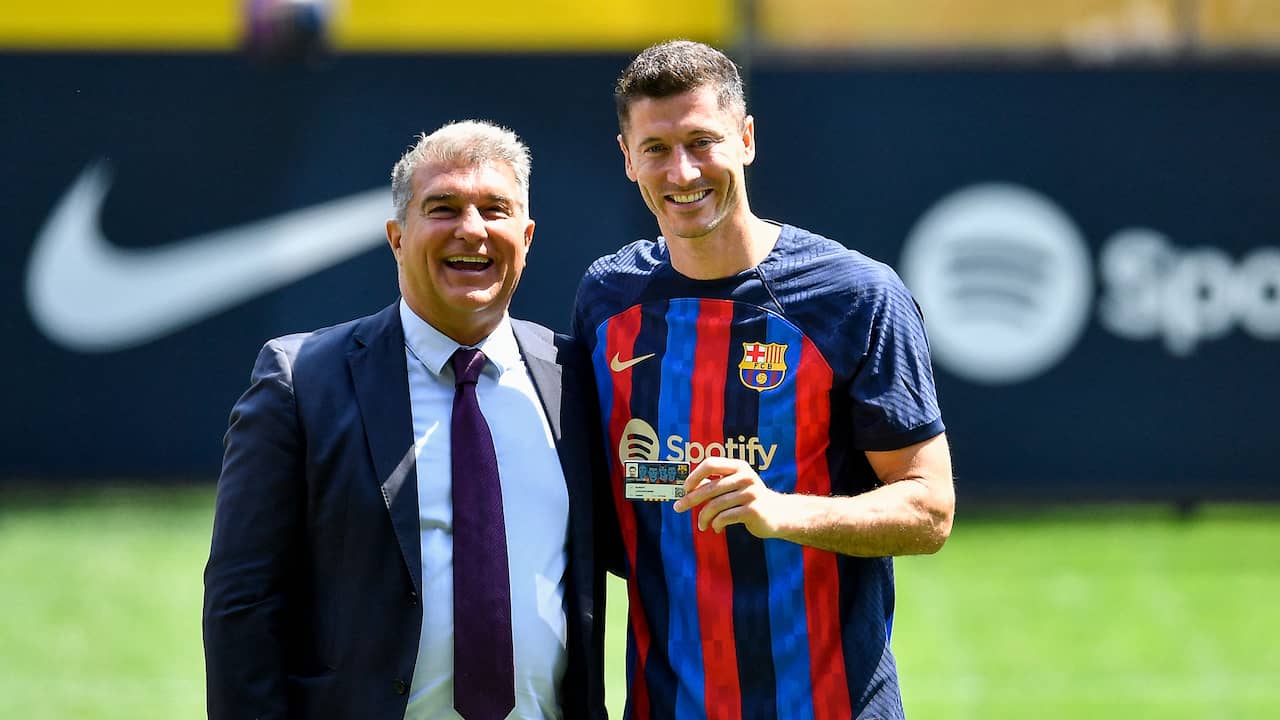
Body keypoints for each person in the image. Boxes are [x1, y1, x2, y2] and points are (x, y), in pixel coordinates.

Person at [571, 41, 955, 719]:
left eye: (702, 141)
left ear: (745, 139)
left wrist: (781, 511)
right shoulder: (608, 299)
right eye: (656, 148)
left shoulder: (855, 295)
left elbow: (929, 509)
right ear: (627, 157)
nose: (682, 170)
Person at [204, 120, 607, 720]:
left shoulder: (575, 376)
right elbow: (243, 602)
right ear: (397, 236)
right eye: (442, 207)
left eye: (495, 209)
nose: (471, 229)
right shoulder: (302, 379)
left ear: (526, 237)